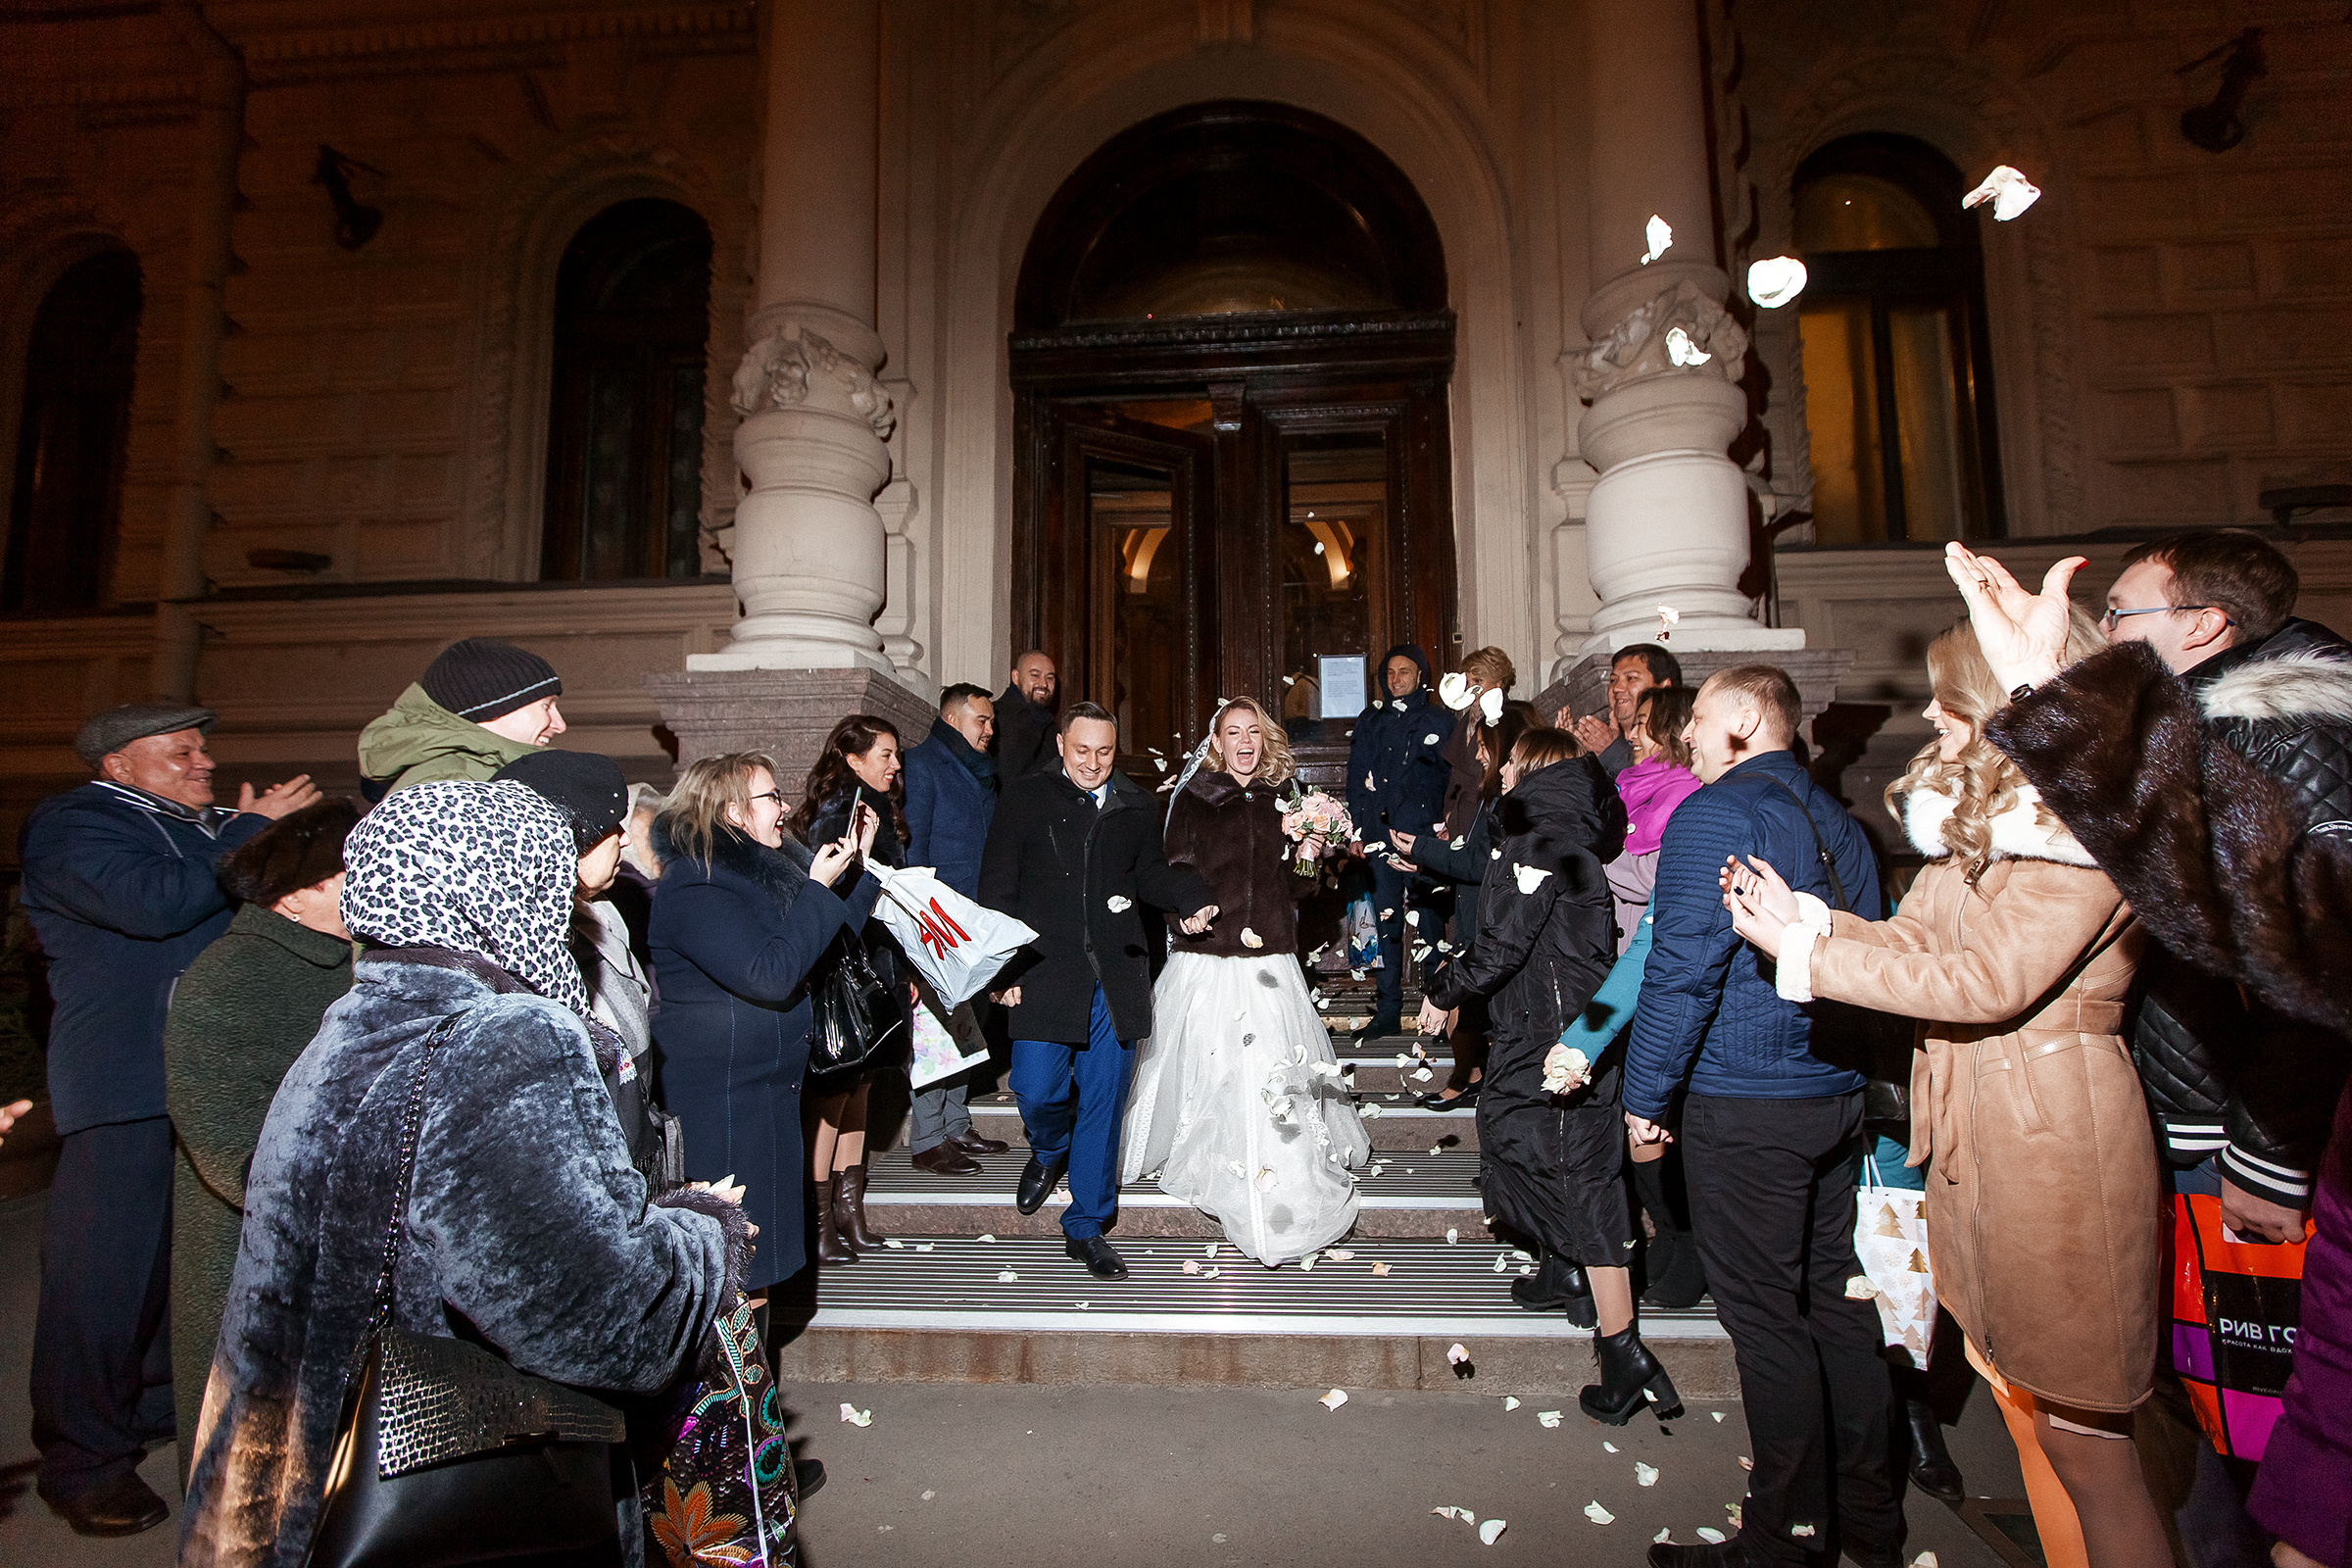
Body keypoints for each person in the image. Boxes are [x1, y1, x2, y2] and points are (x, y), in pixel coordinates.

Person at [177, 780, 755, 1567]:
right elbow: (590, 1317)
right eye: (547, 885)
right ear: (500, 890)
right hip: (443, 1488)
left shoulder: (358, 1020)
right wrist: (702, 1235)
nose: (560, 911)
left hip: (298, 1473)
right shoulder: (506, 1036)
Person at [1722, 615, 2167, 1568]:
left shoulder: (2078, 830)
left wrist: (1802, 954)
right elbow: (1924, 940)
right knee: (2030, 1418)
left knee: (2091, 1447)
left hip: (2056, 1134)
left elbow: (1987, 982)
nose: (1931, 711)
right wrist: (1807, 919)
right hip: (1982, 1124)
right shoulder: (1995, 825)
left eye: (1950, 694)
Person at [1947, 539, 2352, 1568]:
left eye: (2120, 615)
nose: (2107, 633)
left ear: (2205, 624)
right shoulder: (2212, 724)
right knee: (2211, 1420)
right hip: (2198, 1109)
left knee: (2269, 1423)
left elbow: (2291, 945)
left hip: (2243, 1139)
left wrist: (2267, 1152)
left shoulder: (2283, 727)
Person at [1623, 665, 1901, 1568]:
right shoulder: (1836, 818)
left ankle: (1782, 1539)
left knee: (1767, 1322)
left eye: (1698, 719)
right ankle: (1866, 1515)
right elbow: (1868, 945)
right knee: (1836, 1306)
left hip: (1747, 1103)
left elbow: (1682, 968)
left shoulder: (1716, 813)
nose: (1687, 737)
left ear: (1745, 718)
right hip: (1829, 1094)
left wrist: (1645, 1095)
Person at [18, 703, 318, 1538]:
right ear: (118, 764)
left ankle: (148, 1404)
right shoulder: (75, 824)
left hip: (210, 1075)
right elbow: (155, 903)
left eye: (203, 745)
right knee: (102, 1279)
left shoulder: (208, 823)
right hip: (125, 1083)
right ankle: (80, 1462)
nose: (204, 759)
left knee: (184, 1263)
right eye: (179, 749)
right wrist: (249, 830)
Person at [1415, 731, 1658, 1383]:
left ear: (1539, 774)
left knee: (1570, 1169)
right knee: (1529, 1144)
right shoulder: (1567, 844)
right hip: (1562, 1026)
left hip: (1552, 1035)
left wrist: (1443, 991)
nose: (1504, 773)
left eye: (1516, 764)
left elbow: (1502, 948)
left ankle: (1621, 1346)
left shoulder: (1542, 846)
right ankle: (1564, 1269)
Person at [1123, 698, 1371, 1263]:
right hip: (1209, 952)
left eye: (1253, 732)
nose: (1243, 741)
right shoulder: (1196, 797)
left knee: (1271, 1071)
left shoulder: (1286, 798)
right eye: (1232, 731)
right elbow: (1173, 869)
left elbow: (1302, 891)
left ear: (1265, 741)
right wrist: (1186, 909)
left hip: (1269, 959)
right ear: (1217, 741)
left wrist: (1309, 851)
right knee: (1211, 1066)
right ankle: (1209, 1154)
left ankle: (1278, 1165)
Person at [980, 702, 1217, 1281]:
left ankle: (1087, 1224)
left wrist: (1188, 899)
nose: (1093, 763)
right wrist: (1001, 972)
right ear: (1061, 744)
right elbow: (996, 889)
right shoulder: (1024, 798)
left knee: (1105, 1105)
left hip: (1116, 976)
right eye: (1082, 751)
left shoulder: (1136, 804)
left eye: (1105, 752)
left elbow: (1149, 875)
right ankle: (1048, 1147)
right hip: (1043, 972)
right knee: (1037, 1089)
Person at [161, 797, 357, 1490]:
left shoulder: (352, 965)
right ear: (299, 897)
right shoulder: (230, 976)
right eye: (349, 873)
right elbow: (232, 1147)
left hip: (339, 1257)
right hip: (255, 1266)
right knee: (249, 1480)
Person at [651, 752, 880, 1299]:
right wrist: (818, 890)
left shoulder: (757, 877)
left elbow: (822, 941)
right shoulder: (695, 886)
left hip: (768, 1098)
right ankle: (732, 1385)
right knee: (733, 1274)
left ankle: (752, 1384)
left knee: (761, 1270)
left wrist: (862, 871)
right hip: (723, 1107)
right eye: (771, 797)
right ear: (732, 811)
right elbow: (771, 975)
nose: (784, 808)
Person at [792, 715, 913, 1258]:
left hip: (875, 964)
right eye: (885, 755)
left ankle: (850, 1213)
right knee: (835, 1091)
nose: (895, 765)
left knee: (860, 1090)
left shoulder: (874, 807)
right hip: (845, 968)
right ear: (851, 757)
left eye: (896, 755)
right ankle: (818, 1225)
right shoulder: (845, 809)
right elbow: (835, 897)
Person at [1392, 704, 1532, 1108]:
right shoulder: (1493, 796)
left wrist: (1422, 847)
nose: (1479, 754)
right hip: (1473, 919)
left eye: (1485, 746)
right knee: (1465, 1007)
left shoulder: (1511, 802)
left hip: (1490, 926)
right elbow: (1474, 857)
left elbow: (1477, 862)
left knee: (1465, 1005)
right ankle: (1470, 1079)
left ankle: (1476, 1083)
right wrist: (1427, 859)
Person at [901, 683, 1010, 1176]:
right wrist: (923, 916)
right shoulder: (922, 765)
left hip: (974, 917)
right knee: (936, 1026)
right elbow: (914, 845)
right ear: (951, 719)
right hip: (938, 919)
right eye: (981, 721)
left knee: (968, 1022)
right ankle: (926, 1137)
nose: (990, 730)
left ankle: (955, 1122)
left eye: (990, 722)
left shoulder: (981, 771)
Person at [1344, 644, 1451, 1039]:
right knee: (1382, 923)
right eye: (1390, 673)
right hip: (1378, 838)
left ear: (1420, 676)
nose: (1396, 680)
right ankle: (1387, 1010)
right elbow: (1357, 777)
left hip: (1424, 840)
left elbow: (1448, 779)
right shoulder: (1370, 720)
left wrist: (1444, 828)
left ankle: (1435, 1010)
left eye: (1404, 672)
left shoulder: (1441, 720)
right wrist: (1357, 830)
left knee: (1430, 926)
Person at [356, 635, 565, 797]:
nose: (560, 725)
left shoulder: (478, 776)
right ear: (491, 709)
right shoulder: (451, 786)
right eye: (546, 706)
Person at [1605, 685, 1702, 955]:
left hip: (1651, 952)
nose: (1632, 735)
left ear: (1671, 730)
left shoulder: (1686, 793)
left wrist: (1592, 852)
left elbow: (1652, 878)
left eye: (1642, 724)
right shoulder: (1631, 785)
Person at [1570, 644, 1685, 779]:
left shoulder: (1682, 736)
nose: (1616, 688)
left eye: (1631, 678)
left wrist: (1612, 751)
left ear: (1664, 687)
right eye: (1613, 680)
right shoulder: (1597, 740)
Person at [995, 649, 1060, 780]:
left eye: (1050, 678)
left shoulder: (1048, 723)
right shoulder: (995, 718)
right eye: (1035, 675)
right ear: (1015, 677)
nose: (1043, 684)